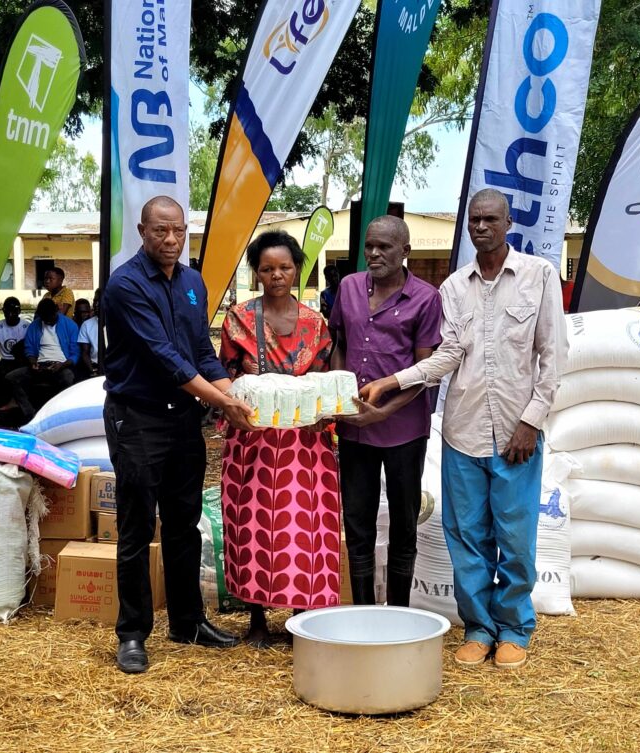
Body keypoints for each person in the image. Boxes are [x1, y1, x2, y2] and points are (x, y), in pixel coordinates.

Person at [361, 188, 567, 670]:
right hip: (462, 431)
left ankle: (515, 627)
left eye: (490, 218)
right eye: (474, 219)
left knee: (515, 537)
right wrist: (391, 381)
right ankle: (478, 627)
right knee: (467, 537)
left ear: (509, 223)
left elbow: (552, 358)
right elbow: (448, 355)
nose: (481, 226)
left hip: (517, 434)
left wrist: (530, 422)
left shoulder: (539, 277)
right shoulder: (454, 287)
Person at [101, 196, 255, 674]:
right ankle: (131, 634)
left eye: (178, 232)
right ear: (143, 231)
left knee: (185, 523)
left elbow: (200, 354)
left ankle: (188, 621)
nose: (170, 240)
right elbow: (166, 358)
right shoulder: (124, 285)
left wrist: (241, 392)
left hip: (183, 419)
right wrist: (224, 403)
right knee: (136, 527)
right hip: (139, 418)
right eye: (160, 231)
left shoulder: (192, 282)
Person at [218, 230, 338, 646]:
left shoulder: (315, 323)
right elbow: (226, 378)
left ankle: (300, 619)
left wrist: (324, 416)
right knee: (252, 527)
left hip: (306, 445)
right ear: (257, 272)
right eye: (267, 269)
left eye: (285, 267)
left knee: (303, 527)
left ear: (297, 269)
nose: (277, 275)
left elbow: (325, 380)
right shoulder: (238, 319)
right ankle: (255, 620)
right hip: (254, 442)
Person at [328, 216, 443, 607]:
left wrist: (383, 412)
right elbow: (339, 342)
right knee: (357, 521)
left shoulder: (426, 298)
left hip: (404, 430)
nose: (374, 254)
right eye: (369, 246)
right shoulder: (348, 287)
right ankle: (362, 610)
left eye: (385, 247)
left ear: (405, 252)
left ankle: (398, 612)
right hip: (353, 427)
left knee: (402, 522)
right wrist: (341, 391)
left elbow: (423, 371)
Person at [7, 298, 79, 419]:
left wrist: (62, 365)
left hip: (61, 365)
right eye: (44, 319)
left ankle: (60, 413)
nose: (47, 322)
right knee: (11, 378)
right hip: (40, 365)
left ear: (56, 311)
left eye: (50, 318)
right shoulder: (35, 326)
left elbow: (75, 354)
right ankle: (30, 413)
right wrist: (33, 362)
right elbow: (29, 349)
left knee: (68, 378)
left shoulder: (70, 325)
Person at [0, 297, 28, 370]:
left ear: (19, 311)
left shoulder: (27, 326)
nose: (10, 315)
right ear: (3, 311)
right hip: (4, 362)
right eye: (7, 312)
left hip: (22, 362)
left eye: (13, 312)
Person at [77, 289, 101, 380]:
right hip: (95, 366)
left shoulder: (118, 322)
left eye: (99, 301)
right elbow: (85, 353)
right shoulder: (87, 325)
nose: (96, 304)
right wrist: (93, 371)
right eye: (95, 301)